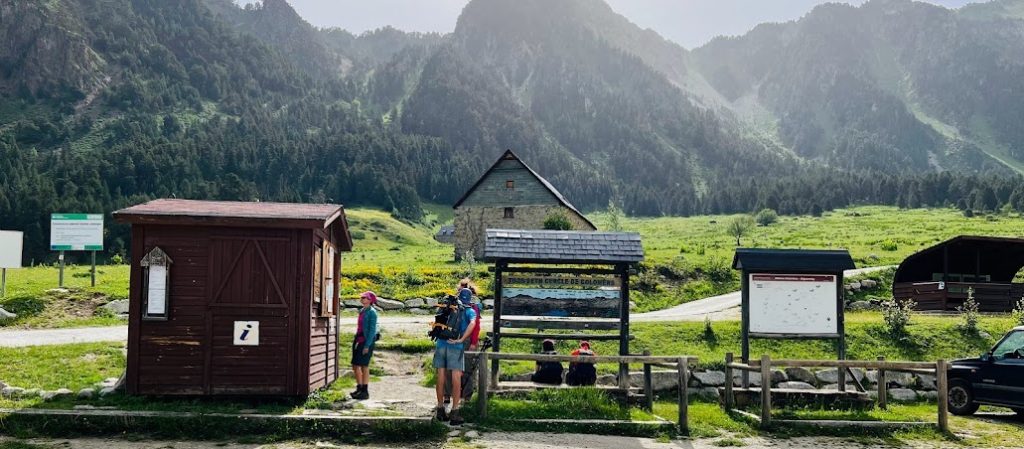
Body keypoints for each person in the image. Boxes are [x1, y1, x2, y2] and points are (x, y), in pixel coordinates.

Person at [433, 287, 477, 425]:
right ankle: (455, 412)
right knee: (456, 378)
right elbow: (473, 324)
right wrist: (462, 339)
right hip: (455, 346)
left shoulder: (449, 306)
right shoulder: (470, 311)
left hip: (441, 344)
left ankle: (440, 409)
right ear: (470, 299)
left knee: (440, 376)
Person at [445, 280, 483, 405]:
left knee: (461, 368)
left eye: (459, 291)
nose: (457, 293)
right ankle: (458, 396)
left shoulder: (469, 307)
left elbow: (475, 326)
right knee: (460, 368)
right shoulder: (468, 307)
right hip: (461, 339)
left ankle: (460, 396)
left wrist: (473, 342)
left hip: (463, 340)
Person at [350, 291, 379, 400]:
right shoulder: (362, 311)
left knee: (364, 365)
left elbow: (372, 330)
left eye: (365, 297)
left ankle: (364, 391)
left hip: (367, 341)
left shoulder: (372, 312)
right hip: (359, 340)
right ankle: (359, 387)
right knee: (355, 365)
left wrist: (367, 345)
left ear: (370, 300)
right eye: (361, 297)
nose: (362, 299)